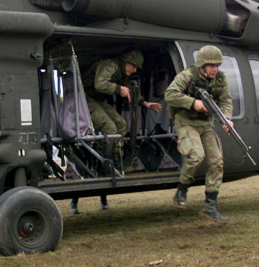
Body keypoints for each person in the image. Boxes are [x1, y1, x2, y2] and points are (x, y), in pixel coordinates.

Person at [164, 45, 234, 222]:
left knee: (217, 161)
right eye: (211, 65)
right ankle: (182, 189)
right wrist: (192, 103)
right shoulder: (187, 76)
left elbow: (226, 100)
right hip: (186, 122)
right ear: (202, 65)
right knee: (197, 155)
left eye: (217, 65)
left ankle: (210, 205)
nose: (214, 69)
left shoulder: (220, 79)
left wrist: (226, 119)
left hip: (205, 123)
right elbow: (170, 94)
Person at [83, 49, 162, 172]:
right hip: (85, 99)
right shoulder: (110, 65)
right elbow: (100, 84)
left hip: (98, 101)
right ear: (126, 61)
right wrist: (119, 89)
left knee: (121, 124)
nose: (135, 70)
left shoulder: (120, 73)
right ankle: (102, 164)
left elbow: (130, 90)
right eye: (134, 66)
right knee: (109, 128)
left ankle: (117, 163)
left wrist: (145, 103)